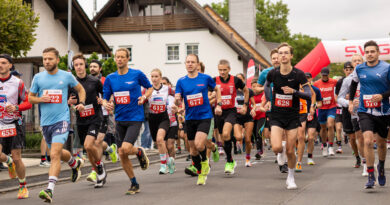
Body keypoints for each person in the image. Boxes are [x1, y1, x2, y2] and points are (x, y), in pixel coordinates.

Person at [29, 47, 86, 203]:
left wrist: (81, 103)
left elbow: (80, 89)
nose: (47, 61)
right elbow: (30, 98)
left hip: (62, 120)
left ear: (57, 60)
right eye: (45, 59)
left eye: (50, 59)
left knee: (54, 154)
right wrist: (41, 99)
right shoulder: (38, 78)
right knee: (59, 153)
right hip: (46, 123)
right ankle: (75, 163)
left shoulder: (66, 76)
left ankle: (50, 189)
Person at [102, 48, 152, 194]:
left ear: (127, 59)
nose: (119, 59)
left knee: (124, 149)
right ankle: (134, 183)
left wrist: (144, 97)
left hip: (135, 118)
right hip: (120, 119)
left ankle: (138, 151)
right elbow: (105, 97)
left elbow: (149, 88)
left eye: (122, 57)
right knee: (122, 153)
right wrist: (106, 104)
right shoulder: (111, 78)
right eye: (117, 57)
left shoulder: (136, 74)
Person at [263, 43, 311, 189]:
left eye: (286, 53)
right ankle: (280, 151)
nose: (283, 56)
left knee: (291, 150)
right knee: (277, 147)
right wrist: (270, 100)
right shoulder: (273, 73)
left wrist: (294, 92)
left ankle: (290, 177)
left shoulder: (298, 74)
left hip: (292, 116)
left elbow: (308, 94)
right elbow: (266, 86)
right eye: (281, 53)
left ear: (291, 56)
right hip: (277, 114)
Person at [175, 54, 222, 185]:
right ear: (185, 64)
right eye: (187, 62)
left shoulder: (205, 78)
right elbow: (178, 98)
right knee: (193, 150)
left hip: (204, 116)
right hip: (190, 118)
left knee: (199, 144)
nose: (190, 64)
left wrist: (219, 104)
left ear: (197, 64)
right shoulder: (181, 81)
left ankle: (205, 161)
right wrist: (177, 103)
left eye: (192, 62)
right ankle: (201, 172)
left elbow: (217, 89)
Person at [348, 40, 390, 189]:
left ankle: (381, 167)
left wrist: (383, 96)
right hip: (365, 110)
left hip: (383, 111)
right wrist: (352, 102)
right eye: (367, 52)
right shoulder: (359, 68)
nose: (370, 54)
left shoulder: (387, 68)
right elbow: (353, 84)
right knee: (367, 141)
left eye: (372, 51)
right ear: (365, 54)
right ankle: (371, 175)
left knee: (381, 144)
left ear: (378, 52)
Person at [0, 54, 32, 199]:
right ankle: (8, 162)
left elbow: (28, 102)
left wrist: (17, 107)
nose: (0, 65)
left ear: (10, 66)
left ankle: (23, 186)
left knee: (17, 157)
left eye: (4, 62)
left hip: (15, 123)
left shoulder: (18, 83)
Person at [214, 59, 249, 175]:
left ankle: (229, 162)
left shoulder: (236, 80)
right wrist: (213, 100)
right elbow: (208, 94)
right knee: (224, 138)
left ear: (229, 69)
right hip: (219, 112)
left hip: (231, 111)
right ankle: (230, 159)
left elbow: (246, 91)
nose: (222, 72)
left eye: (224, 70)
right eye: (220, 70)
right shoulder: (214, 81)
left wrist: (245, 105)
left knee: (225, 133)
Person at [147, 68, 176, 174]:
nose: (154, 79)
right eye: (152, 77)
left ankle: (163, 165)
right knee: (158, 143)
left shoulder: (168, 89)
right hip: (152, 118)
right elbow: (141, 99)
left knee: (160, 139)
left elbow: (177, 96)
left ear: (160, 77)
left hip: (163, 117)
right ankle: (168, 161)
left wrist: (176, 105)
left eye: (156, 76)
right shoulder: (147, 89)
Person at [314, 67, 338, 157]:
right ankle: (324, 145)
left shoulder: (333, 82)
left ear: (328, 75)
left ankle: (331, 146)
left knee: (330, 125)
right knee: (323, 128)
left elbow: (339, 88)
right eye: (323, 75)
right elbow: (313, 94)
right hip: (321, 108)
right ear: (321, 74)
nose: (324, 77)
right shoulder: (316, 84)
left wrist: (337, 96)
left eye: (326, 75)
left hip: (331, 107)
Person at [234, 73, 257, 167]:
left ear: (243, 80)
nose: (239, 81)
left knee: (248, 140)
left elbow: (254, 104)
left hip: (248, 117)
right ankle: (241, 135)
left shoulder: (248, 91)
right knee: (238, 137)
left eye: (241, 79)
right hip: (237, 117)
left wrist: (253, 109)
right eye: (237, 79)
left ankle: (247, 158)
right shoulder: (234, 91)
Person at [305, 73, 322, 165]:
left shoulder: (316, 90)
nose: (307, 80)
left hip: (311, 115)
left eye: (308, 78)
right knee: (300, 138)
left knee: (311, 137)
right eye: (305, 78)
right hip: (300, 116)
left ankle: (310, 157)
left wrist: (314, 106)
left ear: (311, 79)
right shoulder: (299, 90)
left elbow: (320, 103)